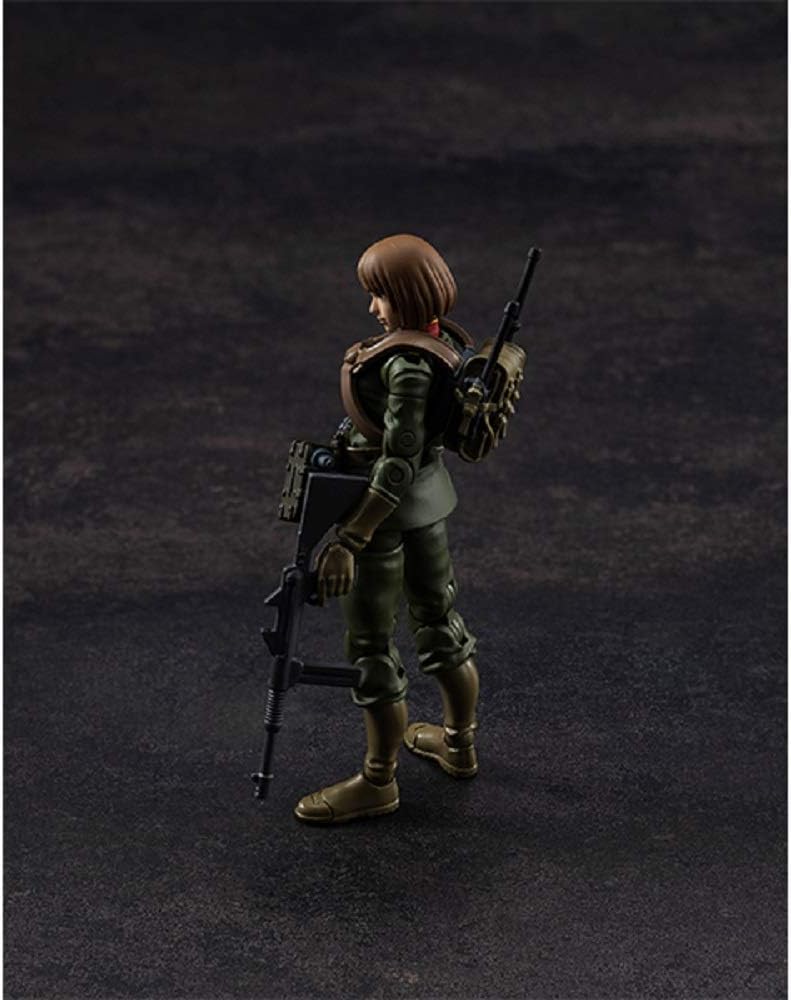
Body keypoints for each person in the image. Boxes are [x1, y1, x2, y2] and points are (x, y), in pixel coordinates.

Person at [294, 234, 480, 824]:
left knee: (373, 648)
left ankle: (378, 781)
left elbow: (397, 462)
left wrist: (350, 539)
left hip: (384, 518)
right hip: (428, 507)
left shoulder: (407, 366)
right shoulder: (445, 341)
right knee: (440, 625)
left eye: (381, 295)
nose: (373, 308)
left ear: (409, 294)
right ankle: (459, 744)